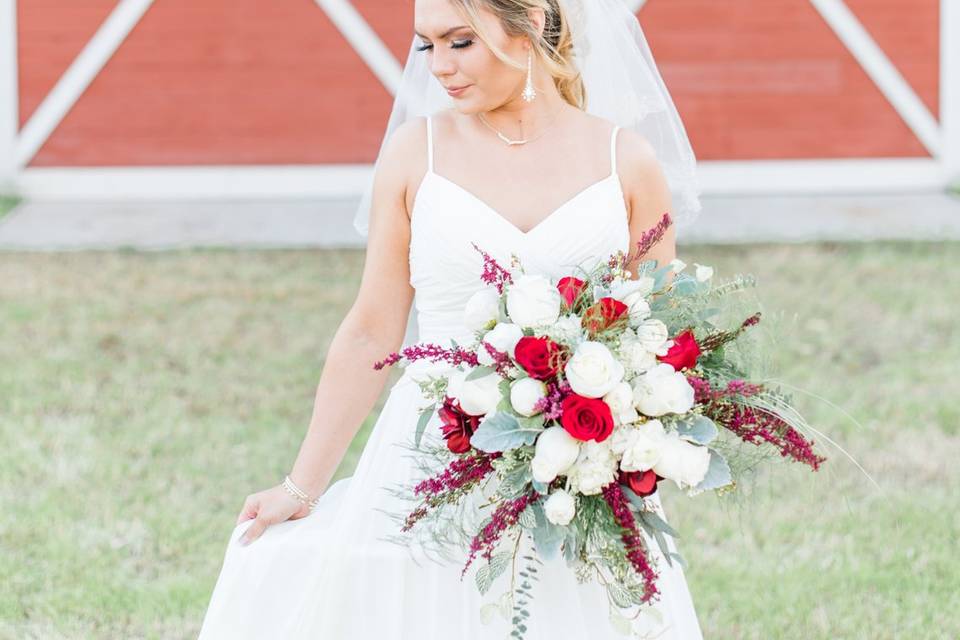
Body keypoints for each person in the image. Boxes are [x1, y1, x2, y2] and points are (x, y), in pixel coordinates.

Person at [197, 0, 704, 638]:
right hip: (433, 447)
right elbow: (371, 330)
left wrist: (622, 427)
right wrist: (301, 488)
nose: (438, 67)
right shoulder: (416, 155)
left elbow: (659, 335)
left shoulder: (625, 162)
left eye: (459, 42)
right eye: (425, 46)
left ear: (528, 33)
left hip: (577, 459)